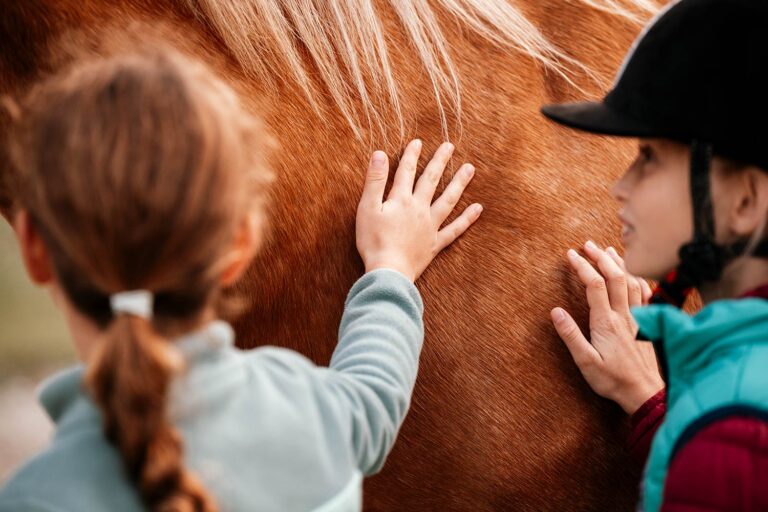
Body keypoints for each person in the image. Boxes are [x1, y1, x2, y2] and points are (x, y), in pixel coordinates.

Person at [0, 48, 482, 512]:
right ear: (242, 244)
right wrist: (391, 265)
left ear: (33, 247)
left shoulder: (32, 498)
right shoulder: (314, 418)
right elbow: (376, 395)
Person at [542, 0, 768, 510]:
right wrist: (648, 402)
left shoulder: (736, 434)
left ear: (745, 202)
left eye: (648, 159)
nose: (619, 186)